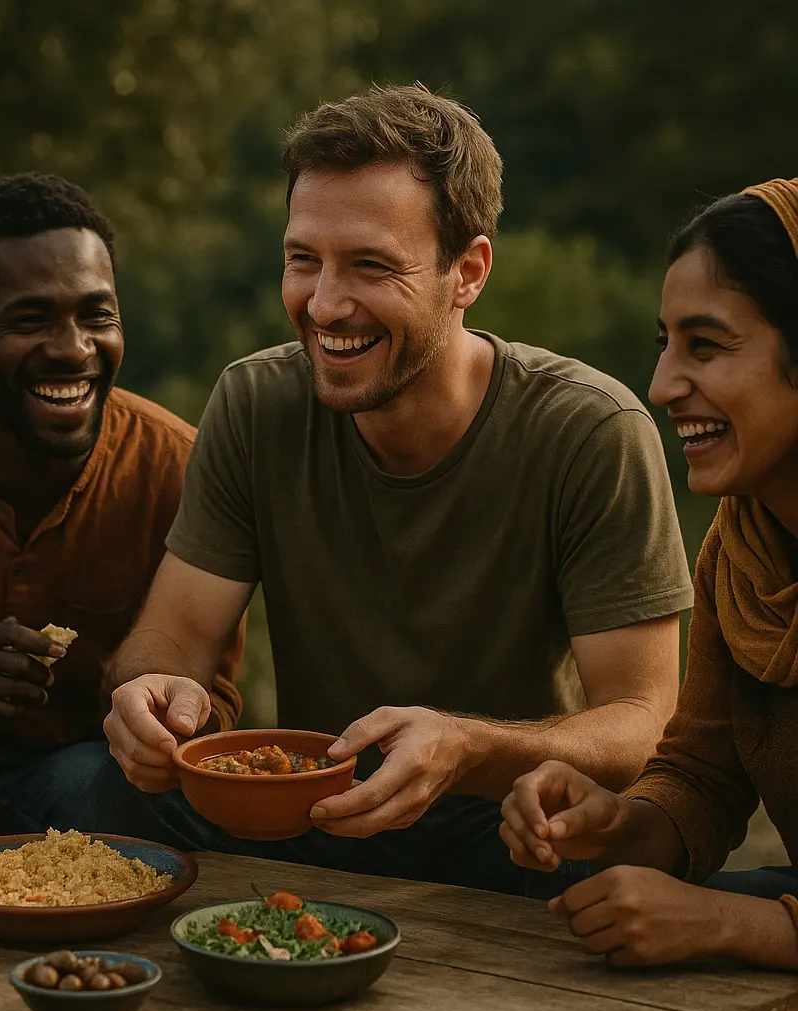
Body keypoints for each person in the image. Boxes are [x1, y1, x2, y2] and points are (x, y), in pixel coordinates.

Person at [102, 84, 694, 896]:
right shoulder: (254, 401)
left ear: (467, 272)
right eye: (303, 259)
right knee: (84, 787)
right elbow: (173, 636)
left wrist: (469, 750)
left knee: (609, 855)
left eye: (371, 266)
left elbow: (642, 726)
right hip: (314, 811)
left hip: (503, 822)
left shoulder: (590, 431)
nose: (324, 303)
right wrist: (148, 691)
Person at [499, 177, 798, 967]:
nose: (662, 386)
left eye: (706, 346)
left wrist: (727, 922)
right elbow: (701, 776)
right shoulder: (742, 550)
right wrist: (614, 821)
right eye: (664, 344)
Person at [0, 173, 243, 842]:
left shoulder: (179, 468)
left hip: (95, 782)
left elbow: (217, 701)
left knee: (111, 793)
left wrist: (152, 711)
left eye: (97, 316)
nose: (73, 348)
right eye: (31, 320)